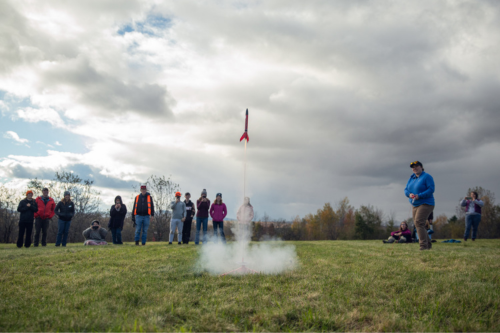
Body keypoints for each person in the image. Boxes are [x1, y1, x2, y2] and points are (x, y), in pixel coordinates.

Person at [404, 161, 435, 251]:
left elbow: (431, 189)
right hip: (415, 204)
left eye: (417, 166)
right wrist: (409, 194)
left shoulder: (427, 177)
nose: (415, 168)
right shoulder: (412, 178)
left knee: (418, 222)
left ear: (421, 167)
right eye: (413, 167)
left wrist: (419, 195)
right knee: (418, 224)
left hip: (426, 203)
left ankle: (423, 246)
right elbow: (406, 189)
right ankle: (428, 244)